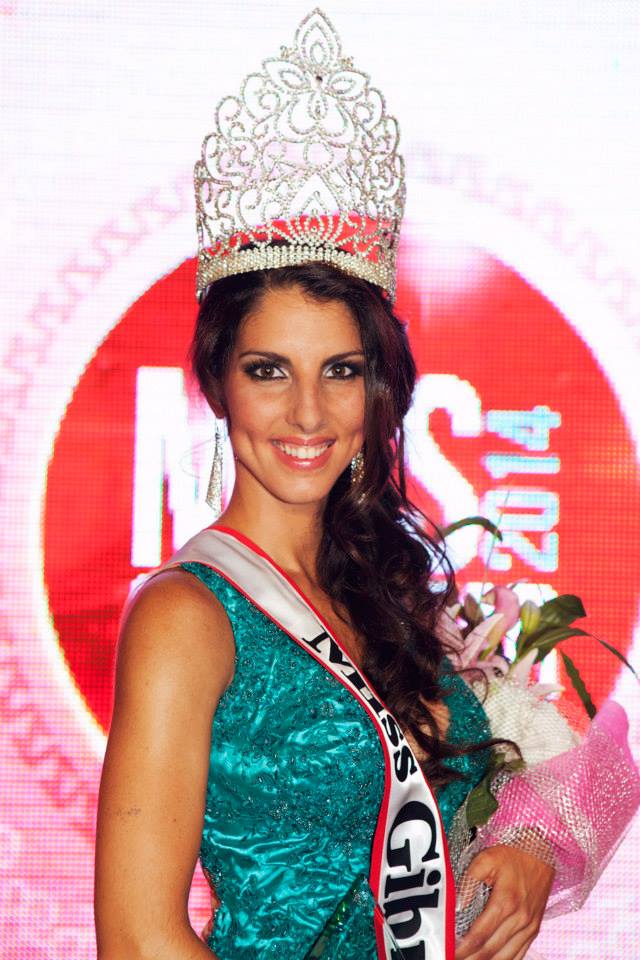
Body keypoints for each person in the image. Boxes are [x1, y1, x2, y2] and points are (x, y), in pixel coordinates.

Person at [94, 9, 581, 960]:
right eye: (269, 371)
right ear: (218, 385)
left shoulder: (385, 588)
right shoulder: (186, 617)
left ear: (378, 389)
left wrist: (530, 846)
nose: (308, 413)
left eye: (341, 371)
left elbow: (479, 798)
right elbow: (138, 939)